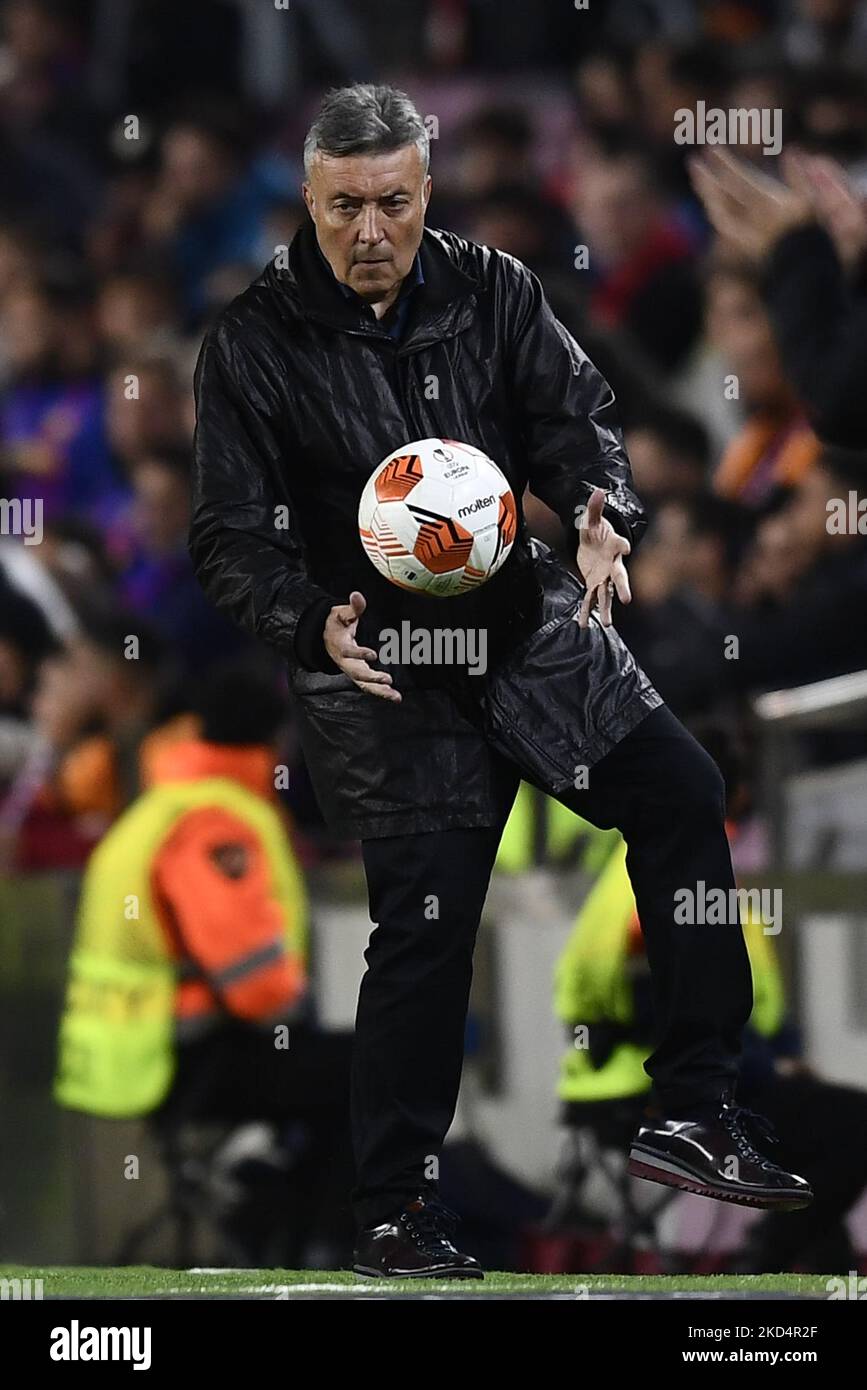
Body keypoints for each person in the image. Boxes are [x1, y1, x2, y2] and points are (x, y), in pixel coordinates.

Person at [190, 83, 812, 1280]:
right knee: (424, 933)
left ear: (427, 192)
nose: (370, 231)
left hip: (525, 622)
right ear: (307, 203)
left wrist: (599, 511)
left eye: (394, 203)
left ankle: (694, 1107)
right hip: (380, 663)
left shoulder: (497, 287)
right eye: (342, 207)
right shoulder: (254, 341)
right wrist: (311, 621)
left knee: (684, 791)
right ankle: (392, 1213)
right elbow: (226, 538)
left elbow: (578, 419)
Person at [54, 666, 355, 1263]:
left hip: (128, 1054)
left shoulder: (158, 810)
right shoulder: (218, 822)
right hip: (189, 1056)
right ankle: (328, 1246)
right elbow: (251, 981)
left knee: (329, 1072)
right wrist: (294, 1009)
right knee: (369, 1072)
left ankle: (274, 1210)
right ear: (272, 743)